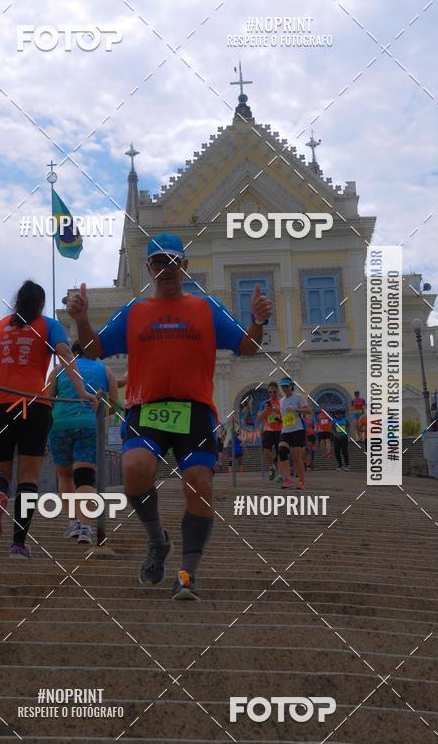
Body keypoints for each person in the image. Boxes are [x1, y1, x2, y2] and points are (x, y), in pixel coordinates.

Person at [67, 232, 271, 601]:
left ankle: (187, 574)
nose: (166, 268)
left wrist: (257, 322)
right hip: (146, 407)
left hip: (194, 411)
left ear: (185, 266)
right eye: (158, 262)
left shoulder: (206, 308)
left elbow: (248, 347)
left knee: (199, 484)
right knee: (134, 470)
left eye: (173, 261)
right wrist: (81, 320)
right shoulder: (135, 312)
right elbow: (95, 349)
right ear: (148, 268)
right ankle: (157, 540)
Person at [0, 280, 96, 558]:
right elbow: (66, 356)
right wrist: (82, 392)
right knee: (28, 479)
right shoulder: (47, 325)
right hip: (33, 407)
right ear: (41, 304)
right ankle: (18, 545)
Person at [47, 343, 118, 545]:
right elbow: (113, 403)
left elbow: (47, 400)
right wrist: (98, 413)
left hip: (60, 425)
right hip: (89, 425)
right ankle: (86, 527)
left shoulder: (59, 370)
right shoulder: (105, 370)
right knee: (85, 477)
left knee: (65, 476)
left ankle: (73, 523)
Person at [278, 377, 312, 491]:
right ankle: (288, 479)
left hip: (297, 430)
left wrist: (296, 409)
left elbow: (309, 411)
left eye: (286, 386)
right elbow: (284, 417)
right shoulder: (281, 401)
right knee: (282, 452)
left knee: (297, 458)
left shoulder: (298, 397)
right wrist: (277, 418)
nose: (284, 388)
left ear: (291, 386)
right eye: (282, 386)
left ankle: (302, 482)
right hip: (285, 430)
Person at [257, 382, 282, 481]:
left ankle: (280, 474)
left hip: (281, 430)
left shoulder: (282, 402)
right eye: (270, 392)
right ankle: (272, 466)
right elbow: (259, 418)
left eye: (274, 392)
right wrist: (265, 411)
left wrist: (278, 409)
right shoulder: (265, 403)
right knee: (266, 449)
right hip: (268, 430)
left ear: (278, 391)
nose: (272, 394)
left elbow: (288, 415)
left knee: (280, 452)